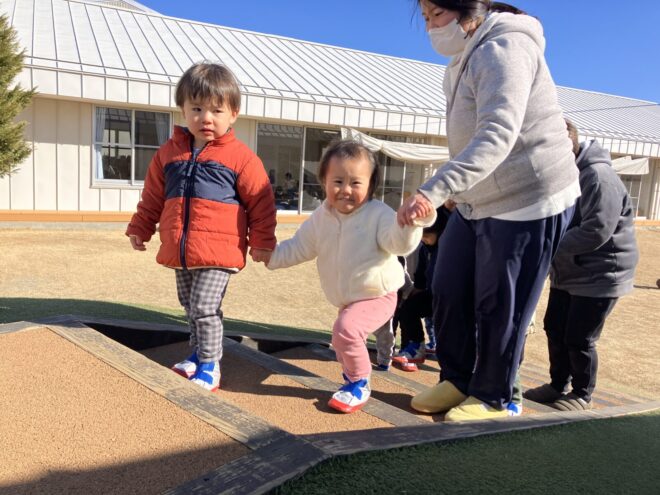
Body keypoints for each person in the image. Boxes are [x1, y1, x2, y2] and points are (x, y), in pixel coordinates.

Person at [398, 0, 580, 421]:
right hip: (479, 198)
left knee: (501, 303)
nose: (431, 27)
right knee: (447, 285)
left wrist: (435, 189)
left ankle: (496, 396)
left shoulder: (506, 46)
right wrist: (456, 189)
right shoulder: (463, 57)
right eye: (425, 18)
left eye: (437, 15)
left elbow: (497, 133)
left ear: (467, 10)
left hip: (530, 195)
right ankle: (458, 378)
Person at [126, 63, 277, 392]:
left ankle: (210, 363)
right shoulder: (168, 154)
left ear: (233, 114)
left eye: (216, 110)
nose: (206, 118)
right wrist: (141, 226)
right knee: (189, 306)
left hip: (220, 251)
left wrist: (262, 241)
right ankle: (196, 354)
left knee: (205, 307)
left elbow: (261, 202)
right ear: (183, 109)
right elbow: (153, 196)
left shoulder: (241, 158)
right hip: (181, 249)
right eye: (196, 109)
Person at [259, 140, 436, 413]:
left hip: (379, 294)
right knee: (341, 339)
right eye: (338, 181)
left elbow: (399, 244)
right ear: (324, 182)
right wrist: (272, 257)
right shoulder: (321, 218)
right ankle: (351, 373)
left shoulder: (378, 214)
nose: (345, 190)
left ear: (371, 185)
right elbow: (299, 247)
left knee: (346, 330)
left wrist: (411, 225)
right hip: (349, 298)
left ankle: (359, 382)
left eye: (356, 183)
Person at [524, 120, 639, 410]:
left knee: (579, 337)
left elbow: (597, 230)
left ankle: (582, 393)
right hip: (569, 270)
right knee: (554, 328)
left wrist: (549, 244)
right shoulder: (566, 175)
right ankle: (557, 384)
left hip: (600, 273)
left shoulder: (598, 177)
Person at [393, 203, 453, 372]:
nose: (423, 239)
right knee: (409, 306)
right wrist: (415, 291)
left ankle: (457, 363)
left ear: (440, 232)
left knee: (447, 330)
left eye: (426, 236)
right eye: (421, 236)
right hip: (433, 294)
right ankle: (416, 346)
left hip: (451, 298)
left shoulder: (450, 248)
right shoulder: (425, 249)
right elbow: (421, 274)